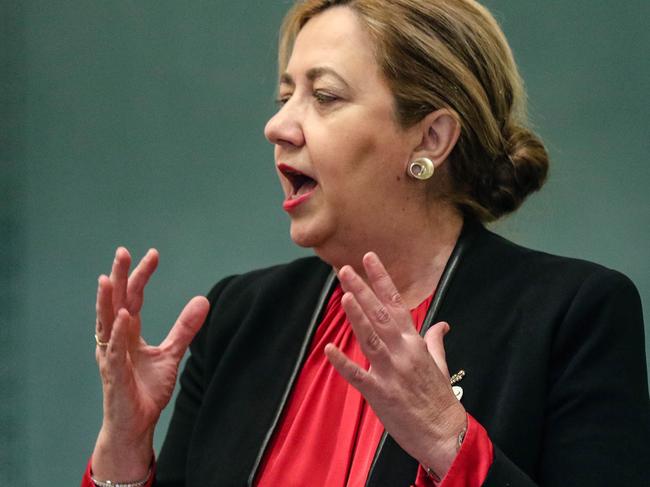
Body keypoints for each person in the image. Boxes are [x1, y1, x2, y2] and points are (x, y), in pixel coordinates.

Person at [82, 1, 650, 486]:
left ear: (430, 138)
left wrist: (447, 439)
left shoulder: (571, 314)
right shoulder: (239, 319)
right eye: (285, 95)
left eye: (324, 96)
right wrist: (124, 451)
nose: (278, 125)